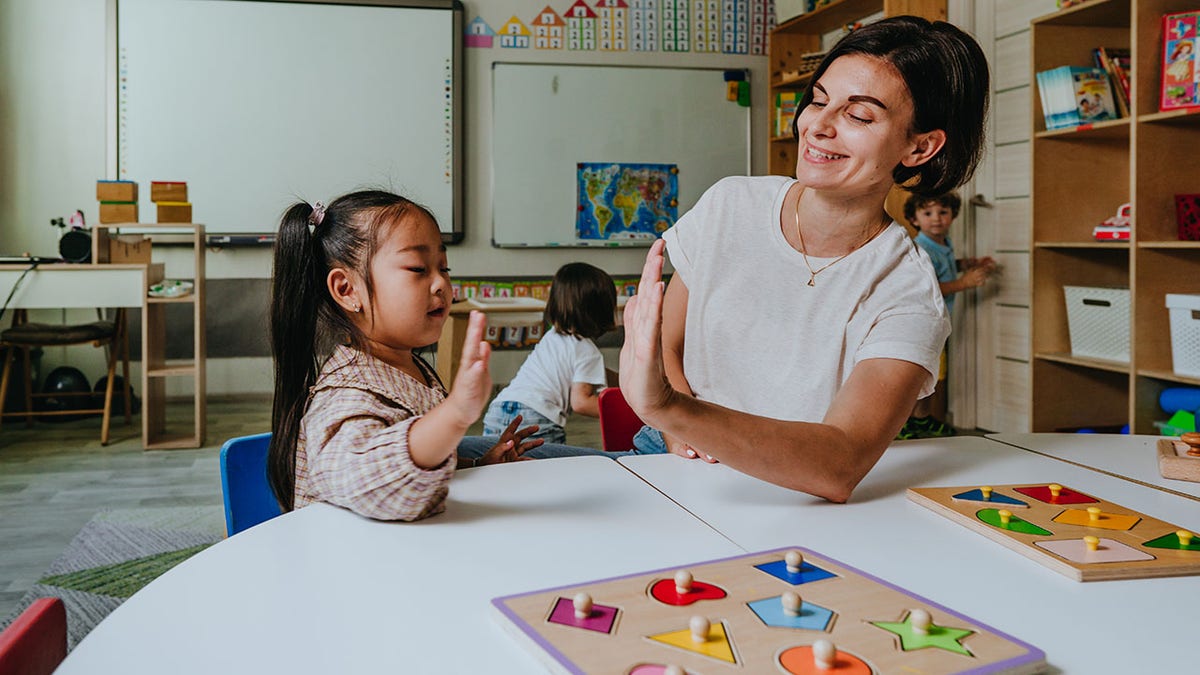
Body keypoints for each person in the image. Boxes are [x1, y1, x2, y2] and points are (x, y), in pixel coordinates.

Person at [618, 16, 990, 502]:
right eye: (818, 99)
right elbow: (668, 342)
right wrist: (673, 421)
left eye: (858, 116)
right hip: (670, 456)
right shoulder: (731, 204)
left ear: (919, 147)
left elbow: (838, 464)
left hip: (790, 494)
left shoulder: (907, 292)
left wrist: (667, 407)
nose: (818, 125)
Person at [267, 190, 609, 522]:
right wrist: (455, 415)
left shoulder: (410, 367)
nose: (441, 284)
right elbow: (371, 481)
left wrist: (478, 464)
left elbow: (425, 466)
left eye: (444, 268)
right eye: (418, 268)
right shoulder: (344, 394)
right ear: (347, 289)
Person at [483, 262, 618, 444]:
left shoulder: (553, 336)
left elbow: (591, 373)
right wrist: (623, 411)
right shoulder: (588, 351)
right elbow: (581, 402)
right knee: (550, 471)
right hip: (537, 418)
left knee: (501, 466)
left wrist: (624, 381)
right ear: (600, 311)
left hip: (498, 411)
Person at [898, 191, 995, 439]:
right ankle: (908, 423)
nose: (936, 219)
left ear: (952, 216)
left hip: (939, 324)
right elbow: (926, 288)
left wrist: (965, 264)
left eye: (943, 212)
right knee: (922, 376)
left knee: (933, 375)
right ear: (914, 218)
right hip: (924, 324)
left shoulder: (943, 244)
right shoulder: (922, 249)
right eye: (927, 213)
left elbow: (945, 267)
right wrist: (964, 283)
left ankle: (922, 419)